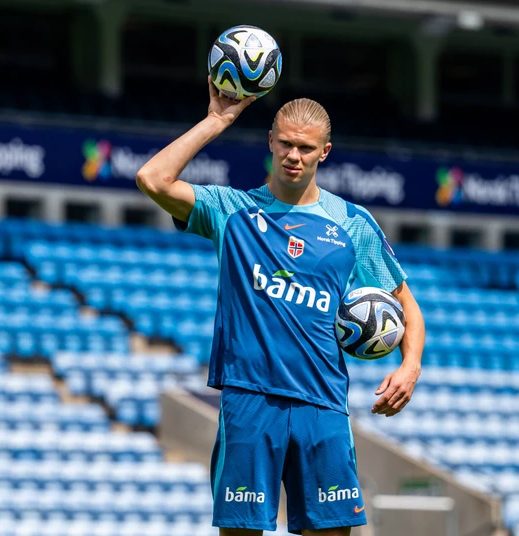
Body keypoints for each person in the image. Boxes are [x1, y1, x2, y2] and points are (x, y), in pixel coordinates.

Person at [135, 78, 425, 536]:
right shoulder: (232, 211)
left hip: (323, 404)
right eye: (286, 144)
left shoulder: (353, 224)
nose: (294, 156)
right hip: (249, 400)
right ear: (270, 141)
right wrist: (216, 121)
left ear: (324, 152)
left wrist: (409, 367)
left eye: (306, 148)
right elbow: (152, 179)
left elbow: (406, 304)